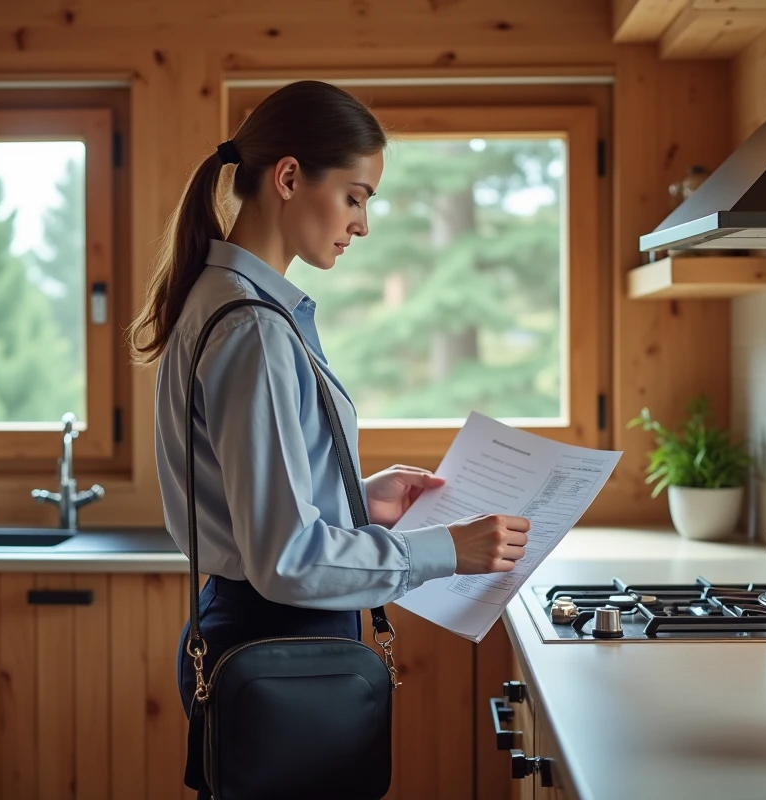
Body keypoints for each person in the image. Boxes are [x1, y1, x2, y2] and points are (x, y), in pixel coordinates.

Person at [128, 79, 532, 800]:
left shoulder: (231, 306)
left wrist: (356, 495)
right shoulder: (252, 328)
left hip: (263, 637)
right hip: (282, 644)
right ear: (288, 178)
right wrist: (450, 550)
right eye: (356, 195)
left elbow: (264, 503)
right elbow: (286, 558)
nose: (363, 223)